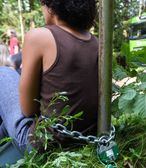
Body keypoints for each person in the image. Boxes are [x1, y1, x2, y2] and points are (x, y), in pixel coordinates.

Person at [0, 0, 98, 162]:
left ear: (51, 7)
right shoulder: (96, 42)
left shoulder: (40, 36)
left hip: (42, 144)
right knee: (5, 123)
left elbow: (28, 110)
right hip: (85, 138)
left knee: (4, 73)